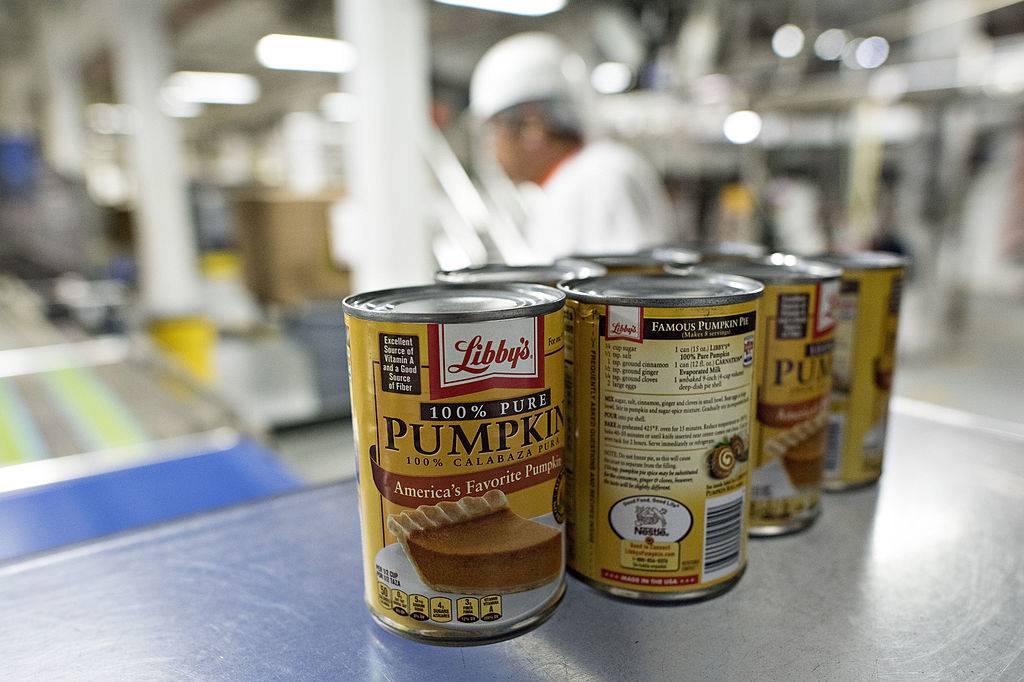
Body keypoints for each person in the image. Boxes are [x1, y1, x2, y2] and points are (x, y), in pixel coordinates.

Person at [470, 32, 672, 260]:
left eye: (495, 130)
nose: (490, 146)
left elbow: (625, 287)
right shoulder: (563, 186)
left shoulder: (602, 176)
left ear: (532, 126)